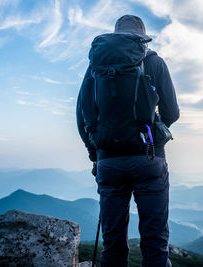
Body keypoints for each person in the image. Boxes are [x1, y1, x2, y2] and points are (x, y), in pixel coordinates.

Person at [76, 14, 179, 267]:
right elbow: (173, 112)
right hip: (148, 157)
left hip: (108, 161)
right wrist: (156, 131)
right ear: (141, 39)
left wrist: (95, 154)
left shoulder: (96, 67)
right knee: (155, 240)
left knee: (112, 242)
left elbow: (82, 115)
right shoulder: (154, 63)